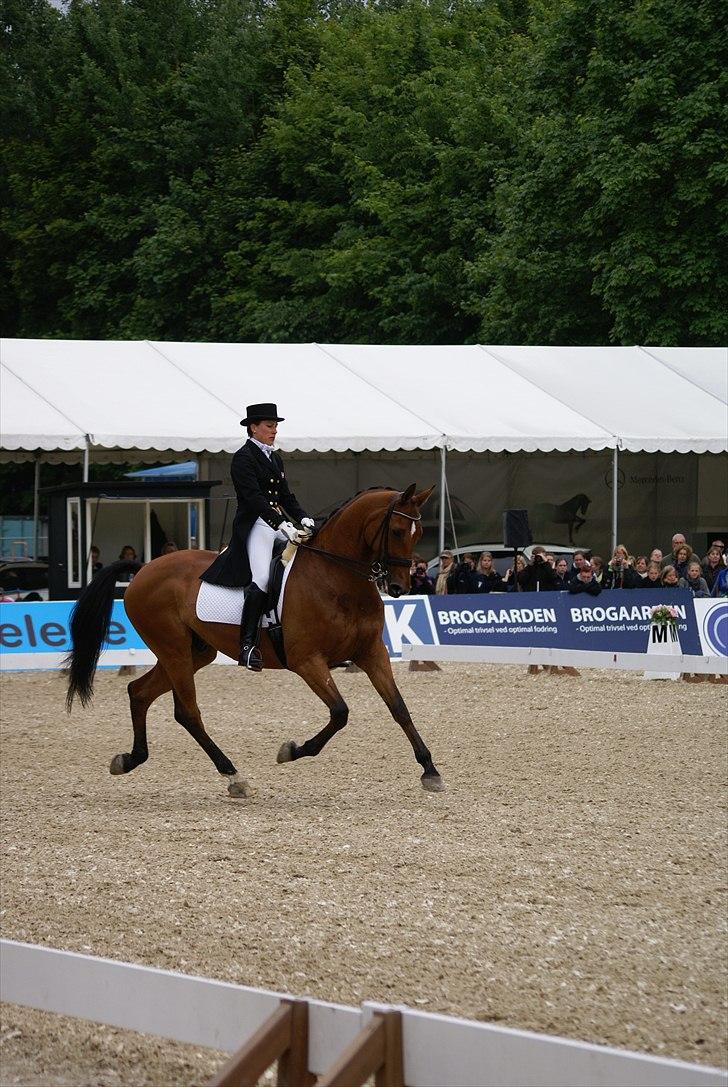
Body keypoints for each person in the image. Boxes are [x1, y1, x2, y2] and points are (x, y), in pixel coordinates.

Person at [200, 402, 313, 671]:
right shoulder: (243, 458)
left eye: (276, 426)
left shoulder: (274, 457)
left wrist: (303, 516)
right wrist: (281, 523)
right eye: (269, 426)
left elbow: (285, 495)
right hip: (255, 525)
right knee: (261, 579)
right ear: (254, 427)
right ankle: (248, 646)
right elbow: (253, 498)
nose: (274, 431)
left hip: (278, 523)